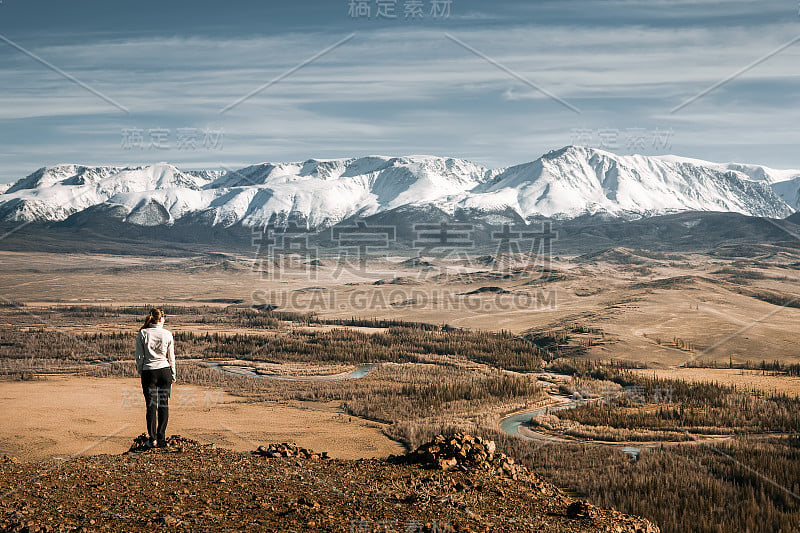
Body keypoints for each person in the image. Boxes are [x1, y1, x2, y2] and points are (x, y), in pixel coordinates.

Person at [135, 307, 176, 448]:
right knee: (163, 404)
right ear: (160, 319)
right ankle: (161, 438)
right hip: (165, 371)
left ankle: (152, 439)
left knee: (151, 406)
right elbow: (171, 357)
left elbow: (139, 357)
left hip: (149, 372)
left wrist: (142, 371)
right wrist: (173, 374)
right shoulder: (167, 334)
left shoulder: (143, 333)